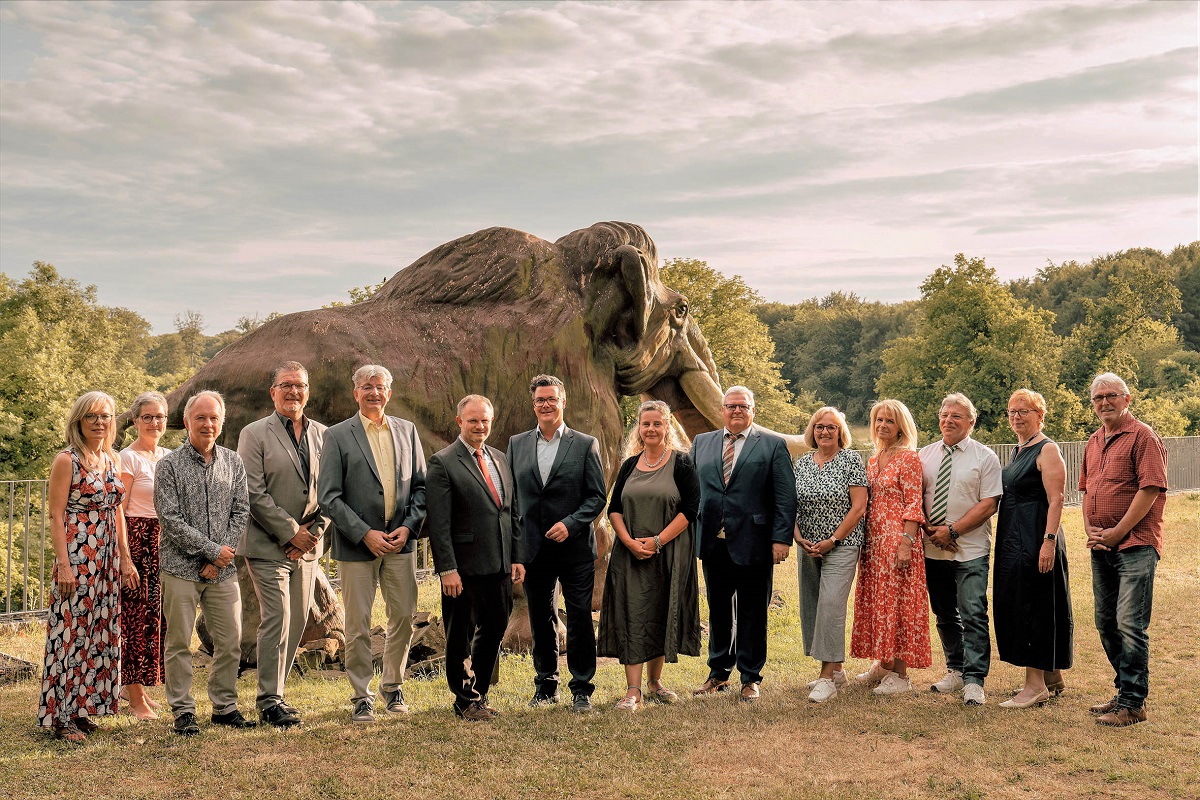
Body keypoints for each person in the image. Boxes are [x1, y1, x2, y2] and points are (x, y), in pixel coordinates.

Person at [318, 365, 427, 723]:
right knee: (359, 624)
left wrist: (409, 528)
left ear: (389, 393)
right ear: (356, 393)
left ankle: (393, 687)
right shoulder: (337, 435)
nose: (374, 393)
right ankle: (361, 695)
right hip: (357, 546)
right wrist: (364, 533)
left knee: (403, 618)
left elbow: (421, 489)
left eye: (380, 387)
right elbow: (329, 496)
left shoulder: (407, 431)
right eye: (367, 387)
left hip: (400, 544)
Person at [155, 390, 254, 736]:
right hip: (180, 568)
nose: (208, 424)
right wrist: (212, 552)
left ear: (221, 422)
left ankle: (225, 708)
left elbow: (241, 510)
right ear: (186, 422)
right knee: (179, 642)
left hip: (223, 571)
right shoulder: (168, 465)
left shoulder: (233, 462)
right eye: (201, 418)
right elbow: (170, 519)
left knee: (230, 641)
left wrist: (220, 556)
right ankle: (183, 711)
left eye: (213, 418)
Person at [237, 362, 331, 728]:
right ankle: (268, 701)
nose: (294, 392)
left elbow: (333, 490)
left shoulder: (325, 434)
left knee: (296, 621)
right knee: (277, 618)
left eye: (300, 385)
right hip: (266, 542)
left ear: (308, 391)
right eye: (286, 385)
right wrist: (291, 532)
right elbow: (252, 491)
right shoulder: (254, 433)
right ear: (272, 391)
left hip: (309, 544)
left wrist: (315, 531)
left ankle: (278, 693)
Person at [39, 392, 137, 742]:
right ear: (79, 420)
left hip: (108, 558)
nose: (99, 422)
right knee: (71, 633)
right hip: (79, 556)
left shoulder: (111, 458)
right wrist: (63, 565)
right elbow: (55, 514)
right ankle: (60, 715)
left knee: (99, 632)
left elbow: (118, 511)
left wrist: (125, 558)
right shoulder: (67, 460)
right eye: (92, 416)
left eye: (106, 416)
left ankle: (83, 708)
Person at [507, 375, 607, 713]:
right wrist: (515, 549)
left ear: (563, 401)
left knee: (578, 616)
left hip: (575, 547)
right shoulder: (517, 444)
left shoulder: (585, 444)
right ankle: (546, 685)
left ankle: (581, 688)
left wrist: (571, 523)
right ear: (533, 404)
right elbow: (512, 499)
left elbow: (597, 497)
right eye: (540, 400)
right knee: (541, 618)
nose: (546, 405)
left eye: (551, 399)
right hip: (533, 549)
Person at [690, 386, 796, 702]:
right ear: (722, 409)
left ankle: (750, 677)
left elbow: (785, 497)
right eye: (731, 406)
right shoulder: (702, 442)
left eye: (743, 406)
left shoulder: (772, 445)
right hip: (713, 542)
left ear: (753, 410)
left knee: (753, 612)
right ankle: (718, 673)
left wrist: (781, 539)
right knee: (719, 610)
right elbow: (691, 491)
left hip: (755, 543)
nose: (737, 411)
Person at [426, 395, 526, 721]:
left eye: (484, 420)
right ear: (459, 422)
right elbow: (438, 524)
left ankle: (479, 696)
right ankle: (464, 700)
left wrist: (516, 557)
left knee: (495, 629)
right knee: (460, 636)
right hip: (463, 569)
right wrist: (447, 569)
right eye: (473, 421)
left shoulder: (499, 458)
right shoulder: (443, 462)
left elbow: (509, 512)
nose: (479, 426)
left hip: (499, 565)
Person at [598, 401, 701, 711]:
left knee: (660, 610)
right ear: (639, 429)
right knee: (632, 613)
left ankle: (655, 683)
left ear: (667, 427)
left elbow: (690, 510)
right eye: (646, 424)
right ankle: (633, 690)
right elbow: (613, 508)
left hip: (668, 553)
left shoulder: (682, 463)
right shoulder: (629, 465)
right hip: (629, 555)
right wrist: (628, 541)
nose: (652, 429)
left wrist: (657, 541)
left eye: (658, 423)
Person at [1079, 372, 1168, 728]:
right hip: (1102, 545)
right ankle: (1123, 692)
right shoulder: (1093, 440)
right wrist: (1090, 528)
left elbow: (1150, 489)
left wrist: (1117, 532)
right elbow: (1086, 489)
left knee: (1130, 624)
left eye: (1111, 396)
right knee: (1105, 622)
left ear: (1127, 399)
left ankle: (1133, 703)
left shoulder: (1143, 436)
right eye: (1098, 398)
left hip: (1136, 544)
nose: (1104, 403)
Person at [920, 392, 1002, 706]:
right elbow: (914, 497)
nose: (948, 420)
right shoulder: (925, 455)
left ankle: (974, 680)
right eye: (944, 415)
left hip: (970, 549)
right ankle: (955, 669)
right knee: (944, 614)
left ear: (970, 422)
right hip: (933, 549)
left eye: (956, 416)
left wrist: (952, 530)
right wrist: (933, 531)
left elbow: (989, 503)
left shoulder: (984, 457)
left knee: (973, 614)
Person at [994, 389, 1073, 709]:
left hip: (1037, 538)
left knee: (1033, 607)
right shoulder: (1019, 449)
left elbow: (1057, 499)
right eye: (1012, 411)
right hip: (1015, 538)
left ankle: (1035, 685)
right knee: (1025, 602)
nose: (1016, 416)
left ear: (1040, 415)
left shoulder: (1047, 449)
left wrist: (1048, 542)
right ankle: (1051, 675)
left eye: (1023, 411)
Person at [850, 399, 931, 695]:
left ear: (900, 427)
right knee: (878, 602)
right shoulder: (873, 459)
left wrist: (906, 543)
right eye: (879, 420)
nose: (883, 425)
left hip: (898, 541)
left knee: (898, 604)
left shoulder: (908, 458)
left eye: (889, 421)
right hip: (873, 543)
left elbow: (914, 502)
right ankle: (882, 664)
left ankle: (900, 674)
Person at [792, 407, 866, 703]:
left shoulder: (851, 460)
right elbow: (791, 503)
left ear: (840, 432)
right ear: (812, 431)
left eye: (831, 427)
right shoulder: (802, 464)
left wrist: (833, 540)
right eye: (819, 427)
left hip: (842, 545)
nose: (824, 432)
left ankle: (826, 679)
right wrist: (797, 536)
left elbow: (859, 506)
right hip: (807, 545)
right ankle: (835, 669)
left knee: (832, 604)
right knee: (812, 604)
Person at [118, 391, 170, 721]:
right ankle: (135, 698)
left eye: (160, 417)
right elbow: (118, 510)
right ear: (136, 420)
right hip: (136, 542)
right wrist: (124, 558)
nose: (154, 422)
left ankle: (136, 688)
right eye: (147, 417)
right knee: (133, 621)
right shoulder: (128, 457)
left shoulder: (168, 455)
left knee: (156, 620)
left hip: (163, 543)